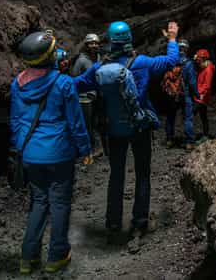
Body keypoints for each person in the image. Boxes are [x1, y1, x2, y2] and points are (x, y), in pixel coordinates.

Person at [75, 20, 180, 249]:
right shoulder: (142, 63)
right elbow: (172, 61)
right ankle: (139, 223)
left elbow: (77, 85)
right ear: (129, 40)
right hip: (139, 127)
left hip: (114, 130)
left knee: (116, 176)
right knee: (142, 174)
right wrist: (172, 38)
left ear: (110, 42)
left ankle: (113, 226)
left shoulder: (100, 68)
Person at [11, 31, 92, 275]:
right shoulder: (63, 83)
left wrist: (21, 149)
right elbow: (76, 122)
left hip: (31, 154)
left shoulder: (17, 84)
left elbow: (15, 121)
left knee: (38, 202)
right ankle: (56, 256)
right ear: (50, 56)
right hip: (59, 154)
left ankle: (28, 258)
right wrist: (85, 149)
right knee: (59, 204)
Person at [160, 40, 200, 149]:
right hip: (184, 94)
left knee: (170, 117)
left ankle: (169, 140)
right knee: (187, 118)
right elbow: (192, 82)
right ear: (186, 49)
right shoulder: (188, 63)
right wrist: (197, 94)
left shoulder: (170, 62)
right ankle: (189, 142)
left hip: (171, 94)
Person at [70, 34, 101, 155]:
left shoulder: (98, 57)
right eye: (91, 43)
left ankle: (94, 146)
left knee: (95, 122)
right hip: (84, 98)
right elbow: (75, 77)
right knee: (86, 124)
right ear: (87, 45)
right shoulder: (81, 60)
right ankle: (86, 150)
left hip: (96, 95)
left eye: (96, 43)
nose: (94, 45)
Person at [193, 49, 215, 142]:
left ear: (203, 58)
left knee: (191, 114)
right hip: (199, 96)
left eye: (198, 57)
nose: (196, 59)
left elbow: (207, 85)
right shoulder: (203, 68)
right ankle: (205, 135)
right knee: (203, 116)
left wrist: (200, 94)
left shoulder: (208, 69)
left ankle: (190, 138)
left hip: (201, 98)